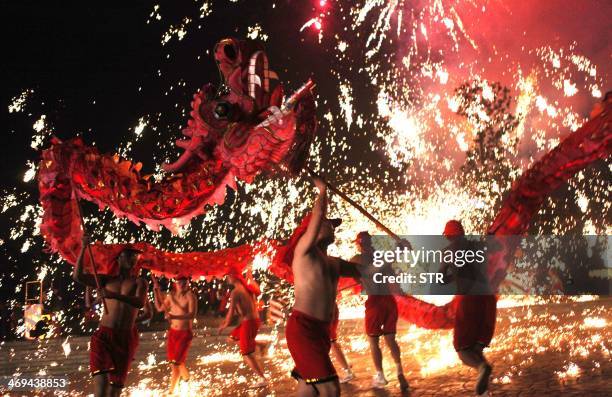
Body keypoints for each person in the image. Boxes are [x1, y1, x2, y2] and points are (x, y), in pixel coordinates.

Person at [282, 176, 361, 397]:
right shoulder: (304, 252)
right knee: (330, 389)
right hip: (303, 329)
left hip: (321, 332)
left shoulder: (334, 263)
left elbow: (365, 271)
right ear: (311, 230)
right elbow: (317, 215)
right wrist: (323, 192)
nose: (331, 226)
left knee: (308, 390)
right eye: (327, 223)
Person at [72, 235, 148, 397]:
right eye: (129, 255)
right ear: (118, 259)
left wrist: (112, 295)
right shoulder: (105, 280)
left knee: (114, 391)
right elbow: (78, 276)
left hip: (125, 338)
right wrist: (84, 248)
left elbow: (139, 303)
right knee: (101, 388)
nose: (133, 258)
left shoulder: (140, 282)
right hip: (104, 336)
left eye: (135, 256)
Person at [441, 220, 496, 396]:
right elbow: (493, 247)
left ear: (449, 236)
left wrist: (451, 275)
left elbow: (440, 279)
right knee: (476, 347)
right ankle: (484, 392)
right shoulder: (478, 246)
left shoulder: (447, 252)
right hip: (487, 300)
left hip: (468, 300)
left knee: (462, 349)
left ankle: (482, 367)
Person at [352, 231, 409, 391]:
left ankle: (380, 375)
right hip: (389, 302)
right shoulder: (382, 257)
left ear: (359, 244)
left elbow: (356, 277)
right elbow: (393, 281)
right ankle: (400, 372)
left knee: (373, 341)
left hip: (375, 303)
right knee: (391, 339)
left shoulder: (357, 259)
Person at [218, 271, 268, 388]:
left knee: (247, 353)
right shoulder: (247, 287)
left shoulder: (235, 292)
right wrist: (249, 271)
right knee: (233, 338)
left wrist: (224, 325)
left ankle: (263, 378)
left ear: (233, 277)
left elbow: (230, 314)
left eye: (228, 276)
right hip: (253, 321)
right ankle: (261, 345)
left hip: (249, 322)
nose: (227, 278)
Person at [152, 275, 197, 395]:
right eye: (180, 282)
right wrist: (156, 292)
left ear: (188, 283)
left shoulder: (190, 296)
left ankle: (171, 391)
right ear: (175, 283)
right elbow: (159, 308)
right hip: (173, 333)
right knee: (177, 362)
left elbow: (192, 315)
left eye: (185, 282)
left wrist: (174, 316)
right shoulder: (170, 296)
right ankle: (187, 380)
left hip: (184, 333)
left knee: (175, 363)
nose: (182, 285)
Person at [329, 303, 354, 383]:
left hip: (326, 310)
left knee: (331, 342)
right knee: (332, 341)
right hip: (329, 308)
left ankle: (348, 371)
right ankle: (346, 367)